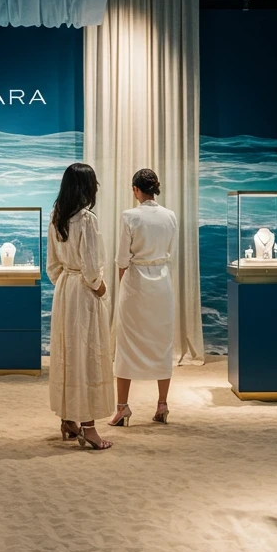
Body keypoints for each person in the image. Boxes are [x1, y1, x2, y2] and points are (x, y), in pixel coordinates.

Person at [47, 162, 115, 450]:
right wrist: (101, 288)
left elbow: (52, 266)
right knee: (87, 355)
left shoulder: (57, 215)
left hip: (64, 289)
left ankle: (68, 419)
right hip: (84, 292)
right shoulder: (87, 219)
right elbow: (90, 267)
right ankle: (88, 427)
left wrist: (66, 282)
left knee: (67, 353)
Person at [109, 168, 178, 427]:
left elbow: (122, 258)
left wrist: (121, 283)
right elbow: (171, 250)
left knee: (126, 343)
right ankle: (162, 404)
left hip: (136, 281)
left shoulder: (129, 216)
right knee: (162, 341)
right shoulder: (170, 216)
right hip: (162, 283)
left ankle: (122, 407)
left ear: (136, 190)